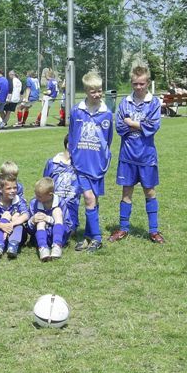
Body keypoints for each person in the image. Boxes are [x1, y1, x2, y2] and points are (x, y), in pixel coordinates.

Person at [107, 66, 165, 245]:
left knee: (150, 192)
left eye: (142, 83)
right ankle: (123, 228)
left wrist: (131, 122)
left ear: (148, 83)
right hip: (127, 155)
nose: (138, 87)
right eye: (135, 84)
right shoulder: (125, 102)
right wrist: (140, 124)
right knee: (126, 192)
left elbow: (153, 126)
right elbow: (119, 128)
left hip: (147, 156)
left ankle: (154, 230)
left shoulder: (154, 103)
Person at [68, 71, 113, 253]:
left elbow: (108, 140)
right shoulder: (76, 111)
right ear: (86, 91)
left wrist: (103, 157)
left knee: (92, 201)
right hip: (80, 163)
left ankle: (88, 236)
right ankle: (97, 238)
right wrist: (73, 155)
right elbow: (72, 135)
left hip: (97, 164)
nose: (97, 94)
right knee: (88, 198)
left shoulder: (107, 114)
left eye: (100, 90)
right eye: (93, 91)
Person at [43, 134, 81, 245]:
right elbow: (45, 184)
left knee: (68, 233)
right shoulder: (52, 163)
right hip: (53, 206)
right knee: (48, 229)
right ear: (69, 145)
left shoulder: (79, 164)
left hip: (71, 207)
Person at [27, 177, 66, 261]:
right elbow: (29, 230)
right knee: (40, 219)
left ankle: (57, 245)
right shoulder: (34, 203)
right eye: (36, 194)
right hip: (39, 236)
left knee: (57, 211)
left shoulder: (60, 202)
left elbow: (68, 226)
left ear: (50, 194)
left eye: (39, 196)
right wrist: (32, 221)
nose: (36, 197)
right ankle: (43, 248)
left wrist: (49, 219)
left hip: (57, 234)